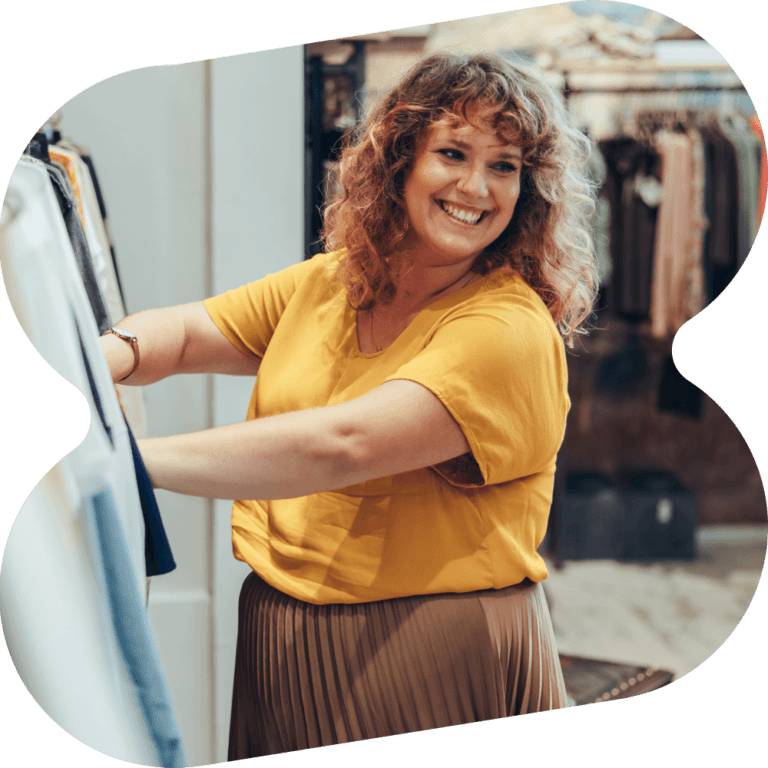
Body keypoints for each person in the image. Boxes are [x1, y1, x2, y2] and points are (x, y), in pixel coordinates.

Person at [101, 52, 598, 758]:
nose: (475, 187)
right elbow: (179, 336)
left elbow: (342, 445)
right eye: (452, 153)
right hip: (282, 629)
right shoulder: (337, 283)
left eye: (504, 166)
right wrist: (93, 362)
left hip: (426, 649)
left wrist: (121, 461)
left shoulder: (507, 330)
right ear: (400, 161)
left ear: (530, 187)